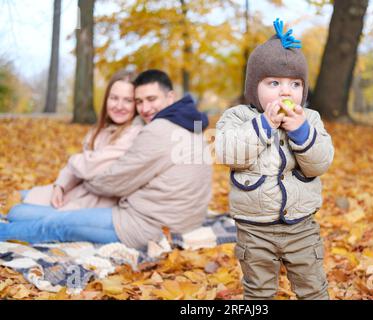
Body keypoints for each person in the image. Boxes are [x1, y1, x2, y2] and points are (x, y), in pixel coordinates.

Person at [1, 69, 212, 251]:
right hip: (177, 219)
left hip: (146, 225)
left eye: (151, 99)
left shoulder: (157, 130)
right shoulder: (189, 124)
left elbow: (112, 183)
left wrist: (87, 178)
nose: (145, 108)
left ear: (170, 97)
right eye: (140, 101)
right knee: (31, 211)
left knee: (57, 226)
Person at [215, 18, 334, 300]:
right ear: (253, 87)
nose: (285, 92)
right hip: (254, 229)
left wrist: (301, 132)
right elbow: (226, 151)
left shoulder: (310, 119)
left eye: (295, 84)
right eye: (273, 83)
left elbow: (320, 163)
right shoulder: (237, 117)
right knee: (258, 291)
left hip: (301, 226)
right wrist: (264, 126)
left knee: (313, 287)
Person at [15, 70, 143, 216]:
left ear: (136, 105)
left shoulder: (134, 133)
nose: (119, 106)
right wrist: (61, 186)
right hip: (76, 191)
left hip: (96, 204)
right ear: (106, 99)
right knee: (17, 196)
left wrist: (73, 159)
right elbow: (81, 167)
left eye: (128, 100)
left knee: (17, 213)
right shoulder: (100, 130)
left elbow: (89, 166)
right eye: (114, 98)